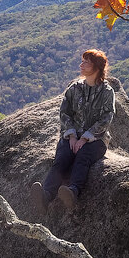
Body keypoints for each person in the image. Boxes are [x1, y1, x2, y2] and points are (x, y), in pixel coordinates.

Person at [31, 49, 116, 213]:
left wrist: (85, 138)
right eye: (82, 61)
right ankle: (46, 195)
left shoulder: (107, 92)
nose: (81, 65)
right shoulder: (74, 88)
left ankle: (73, 192)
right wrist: (71, 136)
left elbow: (107, 118)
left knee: (82, 158)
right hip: (72, 136)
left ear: (96, 67)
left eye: (86, 62)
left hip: (96, 140)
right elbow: (64, 112)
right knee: (62, 158)